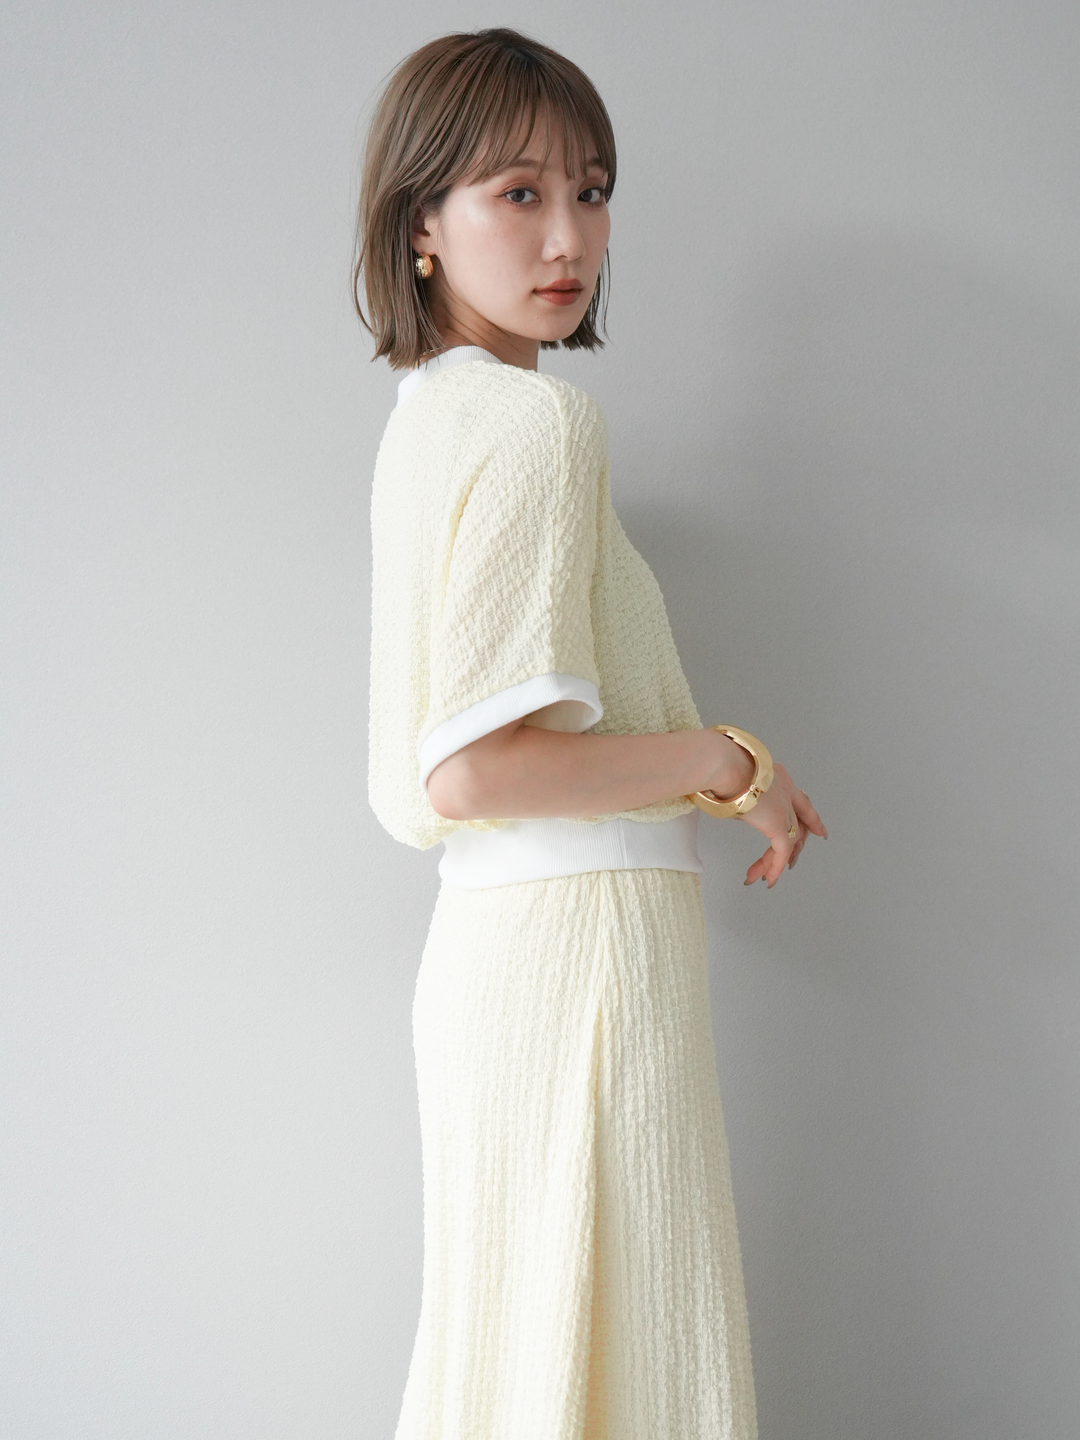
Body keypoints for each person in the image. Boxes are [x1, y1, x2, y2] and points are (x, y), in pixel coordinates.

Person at [355, 26, 826, 1439]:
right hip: (582, 962)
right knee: (617, 1366)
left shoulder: (429, 419)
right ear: (421, 223)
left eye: (594, 189)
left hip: (505, 961)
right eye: (519, 192)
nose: (571, 236)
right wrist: (724, 762)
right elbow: (473, 768)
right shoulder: (534, 428)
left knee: (521, 1364)